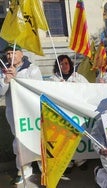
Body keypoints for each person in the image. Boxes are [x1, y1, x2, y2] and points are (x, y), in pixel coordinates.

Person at [0, 44, 43, 184]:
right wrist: (6, 80)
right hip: (14, 111)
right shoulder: (3, 71)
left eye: (13, 53)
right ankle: (24, 167)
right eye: (8, 54)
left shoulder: (33, 69)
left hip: (32, 110)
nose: (10, 56)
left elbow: (39, 90)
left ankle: (43, 166)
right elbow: (1, 92)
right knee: (19, 138)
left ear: (21, 54)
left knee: (38, 135)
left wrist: (17, 78)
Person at [49, 54, 88, 173]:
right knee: (64, 138)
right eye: (61, 64)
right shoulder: (53, 79)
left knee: (78, 137)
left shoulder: (78, 77)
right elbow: (47, 94)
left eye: (66, 63)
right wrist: (57, 87)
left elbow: (89, 90)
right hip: (61, 113)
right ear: (58, 66)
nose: (64, 66)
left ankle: (80, 160)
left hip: (76, 113)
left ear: (70, 64)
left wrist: (78, 87)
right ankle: (68, 163)